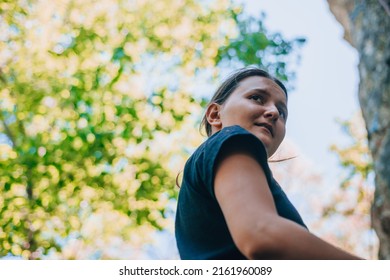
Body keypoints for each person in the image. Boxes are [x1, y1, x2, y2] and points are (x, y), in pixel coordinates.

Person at [175, 66, 363, 260]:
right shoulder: (233, 138)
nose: (273, 112)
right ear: (215, 114)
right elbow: (260, 233)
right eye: (257, 98)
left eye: (282, 112)